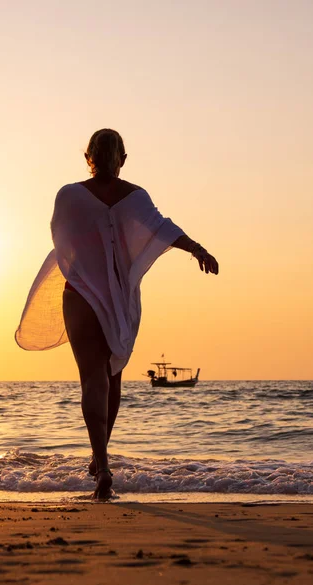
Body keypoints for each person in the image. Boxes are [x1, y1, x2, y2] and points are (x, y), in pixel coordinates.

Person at [16, 128, 219, 500]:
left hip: (79, 296)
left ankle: (102, 464)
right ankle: (101, 459)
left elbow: (60, 237)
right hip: (119, 302)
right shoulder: (135, 197)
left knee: (92, 378)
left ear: (87, 157)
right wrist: (198, 250)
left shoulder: (69, 195)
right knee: (113, 379)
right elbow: (165, 230)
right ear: (123, 159)